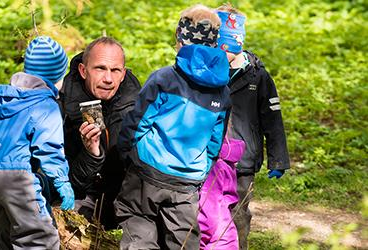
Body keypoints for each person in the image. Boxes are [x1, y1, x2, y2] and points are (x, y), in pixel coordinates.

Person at [115, 4, 231, 249]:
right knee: (183, 239)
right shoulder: (223, 92)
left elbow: (137, 122)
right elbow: (214, 142)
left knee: (137, 220)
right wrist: (200, 170)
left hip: (147, 169)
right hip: (188, 180)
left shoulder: (164, 78)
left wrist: (126, 153)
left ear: (179, 38)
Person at [0, 36, 75, 249]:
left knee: (8, 231)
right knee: (38, 237)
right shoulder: (45, 105)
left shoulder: (8, 98)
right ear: (57, 76)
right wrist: (62, 182)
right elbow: (50, 148)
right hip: (16, 177)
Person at [216, 4, 291, 249]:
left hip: (243, 160)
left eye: (224, 44)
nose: (219, 50)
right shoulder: (208, 71)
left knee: (238, 211)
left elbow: (273, 119)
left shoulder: (257, 76)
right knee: (208, 208)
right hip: (210, 156)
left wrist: (278, 159)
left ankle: (239, 245)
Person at [58, 37, 141, 229]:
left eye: (115, 70)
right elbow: (62, 183)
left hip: (124, 198)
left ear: (123, 74)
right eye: (100, 68)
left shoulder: (138, 103)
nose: (108, 79)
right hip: (80, 195)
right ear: (83, 71)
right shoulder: (61, 107)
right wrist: (91, 154)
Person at [198, 134, 245, 249]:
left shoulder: (214, 165)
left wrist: (197, 240)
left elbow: (208, 213)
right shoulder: (225, 158)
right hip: (226, 234)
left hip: (215, 241)